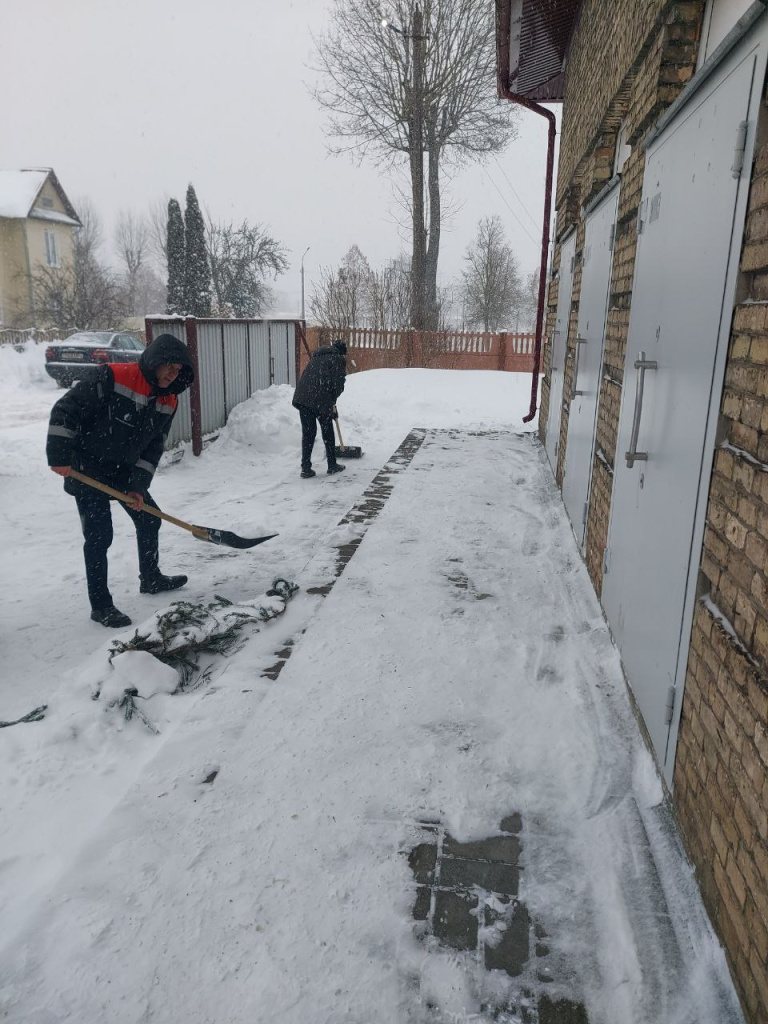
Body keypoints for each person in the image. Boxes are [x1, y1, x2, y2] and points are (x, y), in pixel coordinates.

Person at [46, 333, 195, 628]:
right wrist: (60, 456)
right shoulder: (112, 377)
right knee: (100, 535)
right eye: (169, 367)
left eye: (178, 370)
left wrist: (138, 486)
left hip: (123, 471)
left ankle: (151, 578)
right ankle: (100, 605)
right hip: (88, 468)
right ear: (154, 362)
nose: (172, 374)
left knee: (150, 520)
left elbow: (154, 447)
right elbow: (66, 410)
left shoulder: (169, 400)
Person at [292, 338, 347, 478]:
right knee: (327, 432)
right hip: (319, 399)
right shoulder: (338, 359)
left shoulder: (317, 358)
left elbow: (313, 379)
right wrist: (331, 404)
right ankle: (332, 465)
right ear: (342, 352)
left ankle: (305, 468)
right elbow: (337, 384)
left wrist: (330, 402)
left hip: (303, 397)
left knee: (308, 434)